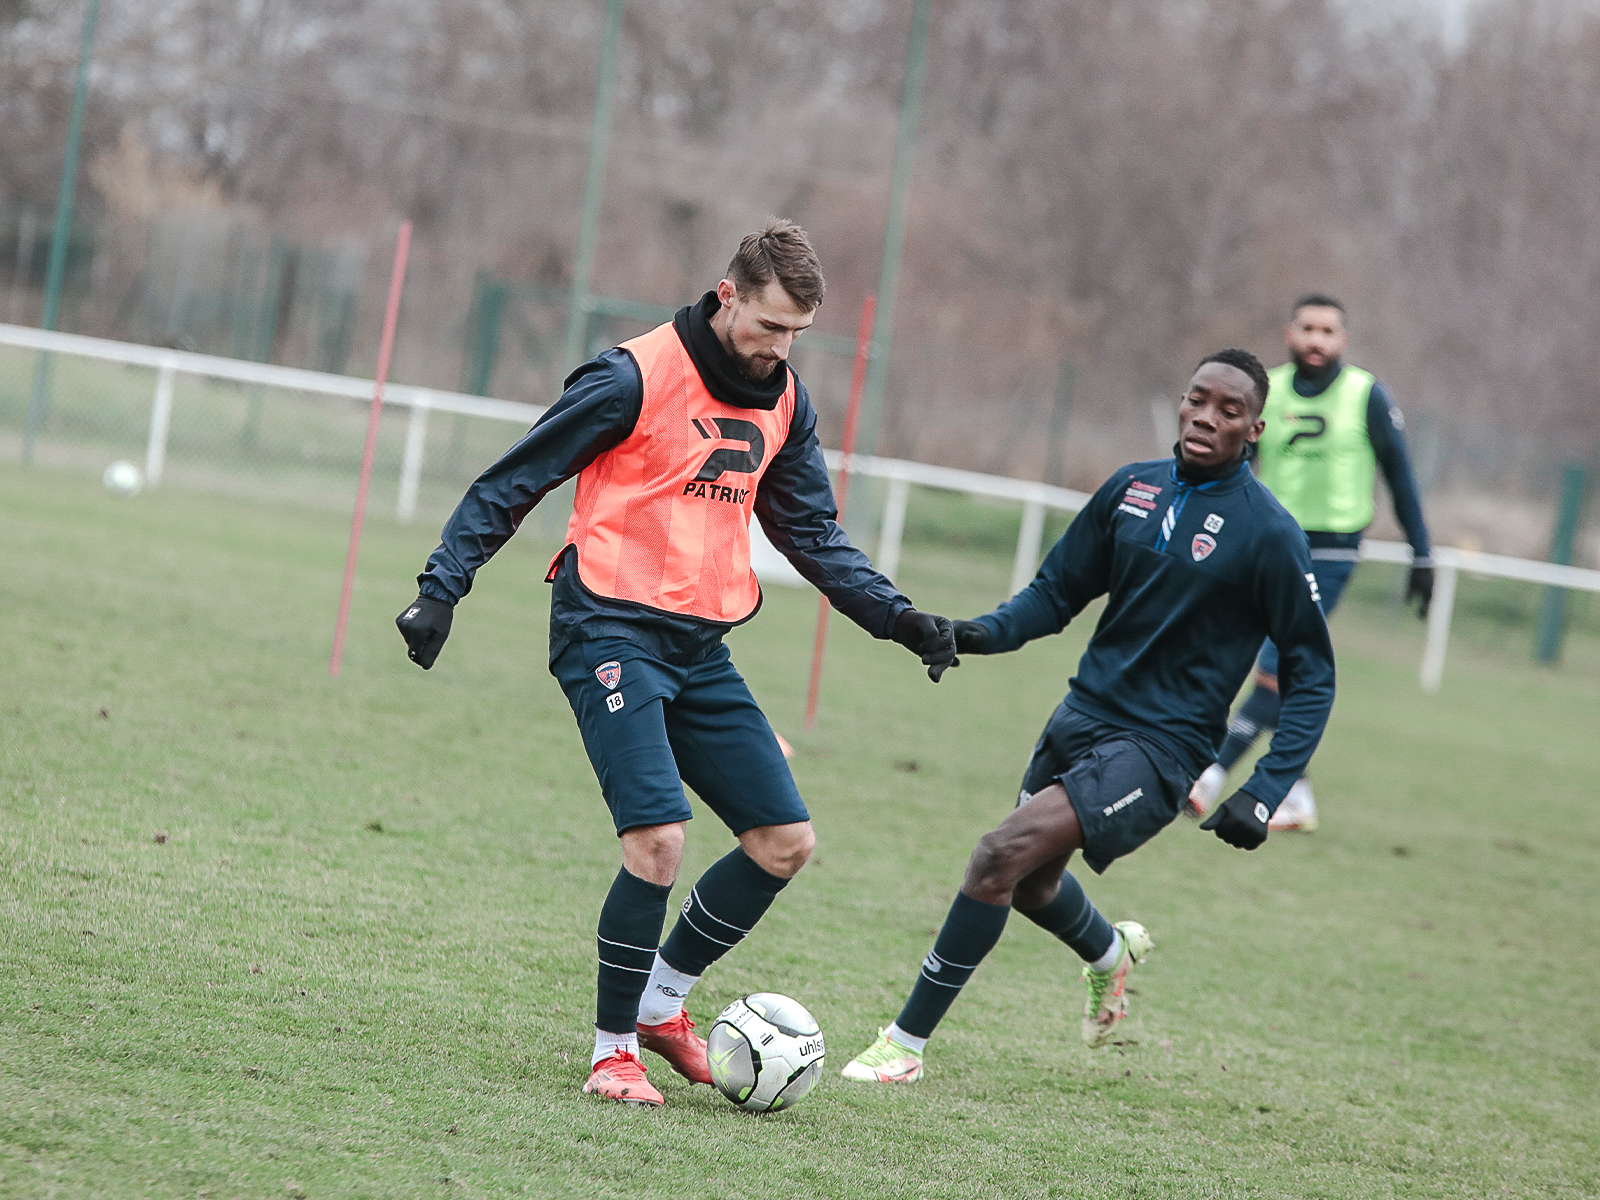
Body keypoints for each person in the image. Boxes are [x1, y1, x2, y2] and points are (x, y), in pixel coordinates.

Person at [394, 219, 956, 1107]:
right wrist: (442, 587)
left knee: (783, 843)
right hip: (606, 628)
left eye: (798, 335)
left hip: (700, 646)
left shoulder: (787, 400)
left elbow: (811, 533)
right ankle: (612, 1053)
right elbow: (514, 479)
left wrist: (897, 618)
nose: (781, 349)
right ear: (727, 294)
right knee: (658, 840)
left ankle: (662, 1005)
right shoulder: (631, 376)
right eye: (770, 326)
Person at [839, 349, 1336, 1084]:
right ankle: (1110, 953)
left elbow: (1313, 674)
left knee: (997, 855)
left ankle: (904, 1047)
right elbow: (1052, 595)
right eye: (1198, 399)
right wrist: (973, 634)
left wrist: (1264, 789)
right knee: (1034, 882)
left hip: (1162, 748)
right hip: (1082, 716)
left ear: (1254, 428)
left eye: (1229, 410)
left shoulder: (1269, 534)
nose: (1207, 417)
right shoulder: (1131, 489)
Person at [1186, 295, 1432, 832]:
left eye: (1328, 330)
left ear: (1343, 339)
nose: (1317, 340)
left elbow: (1400, 474)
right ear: (1289, 332)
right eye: (1308, 328)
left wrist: (1422, 551)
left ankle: (1211, 772)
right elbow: (1232, 464)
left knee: (1276, 663)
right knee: (1269, 663)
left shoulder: (1365, 394)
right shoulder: (1263, 392)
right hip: (1268, 544)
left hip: (1332, 550)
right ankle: (1295, 792)